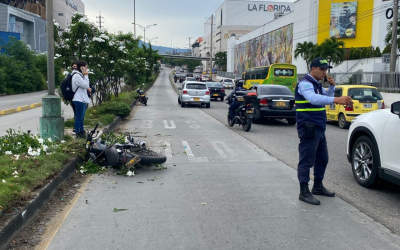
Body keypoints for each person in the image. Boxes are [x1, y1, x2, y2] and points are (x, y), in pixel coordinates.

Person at [295, 57, 353, 205]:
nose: (324, 72)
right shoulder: (305, 84)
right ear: (313, 69)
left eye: (326, 69)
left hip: (319, 128)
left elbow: (324, 98)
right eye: (321, 69)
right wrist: (336, 99)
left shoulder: (317, 85)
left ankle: (318, 186)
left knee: (322, 159)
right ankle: (303, 191)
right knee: (307, 160)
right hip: (308, 127)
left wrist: (332, 88)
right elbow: (313, 99)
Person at [71, 60, 91, 138]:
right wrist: (86, 75)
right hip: (78, 99)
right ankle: (78, 133)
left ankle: (81, 131)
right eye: (86, 67)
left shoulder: (79, 75)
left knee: (81, 117)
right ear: (81, 67)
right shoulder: (76, 76)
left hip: (81, 99)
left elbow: (86, 85)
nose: (87, 69)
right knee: (79, 117)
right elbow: (86, 85)